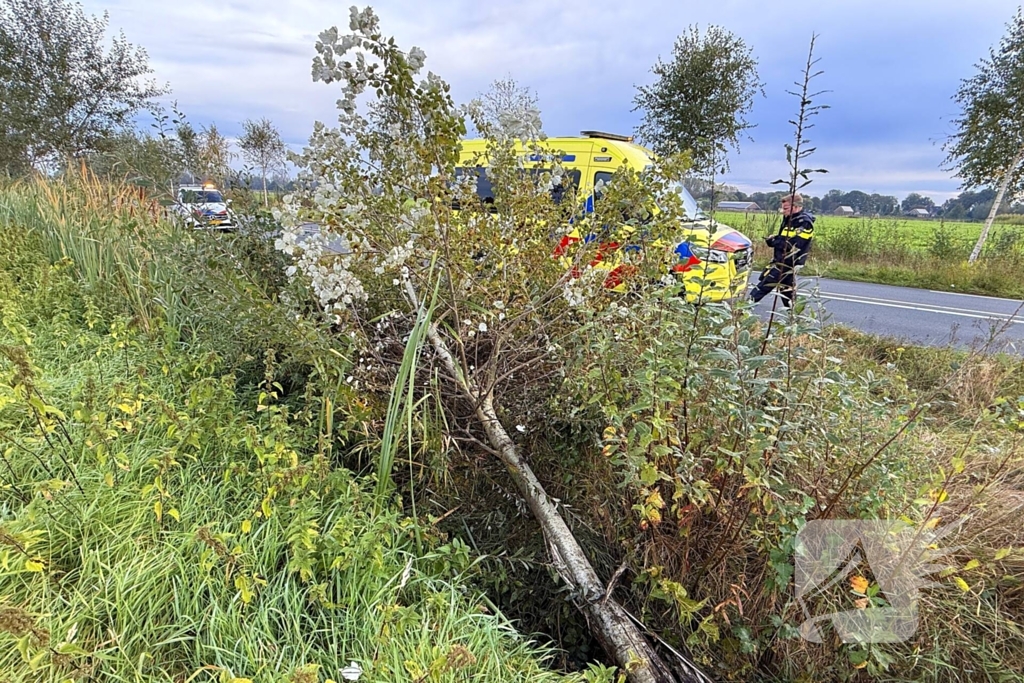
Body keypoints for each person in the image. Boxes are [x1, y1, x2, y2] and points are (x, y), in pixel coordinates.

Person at [749, 192, 815, 307]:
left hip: (789, 262)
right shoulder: (789, 218)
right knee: (787, 292)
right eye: (782, 208)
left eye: (786, 208)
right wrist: (773, 239)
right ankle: (793, 318)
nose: (783, 211)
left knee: (764, 286)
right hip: (781, 260)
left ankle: (741, 310)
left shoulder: (803, 223)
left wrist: (775, 242)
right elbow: (785, 238)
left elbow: (794, 244)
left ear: (796, 207)